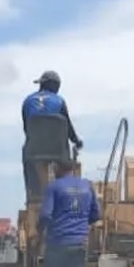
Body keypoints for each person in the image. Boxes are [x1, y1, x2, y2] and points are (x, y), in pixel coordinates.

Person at [38, 158, 100, 267]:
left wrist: (39, 231)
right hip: (79, 243)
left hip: (57, 243)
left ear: (57, 169)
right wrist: (80, 224)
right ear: (74, 169)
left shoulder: (54, 187)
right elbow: (96, 214)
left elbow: (45, 215)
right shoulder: (87, 187)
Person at [22, 70, 83, 200]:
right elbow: (68, 127)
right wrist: (77, 141)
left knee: (29, 154)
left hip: (36, 151)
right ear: (56, 86)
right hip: (58, 151)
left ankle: (34, 194)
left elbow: (27, 129)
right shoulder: (59, 101)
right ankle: (66, 192)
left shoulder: (27, 101)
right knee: (65, 163)